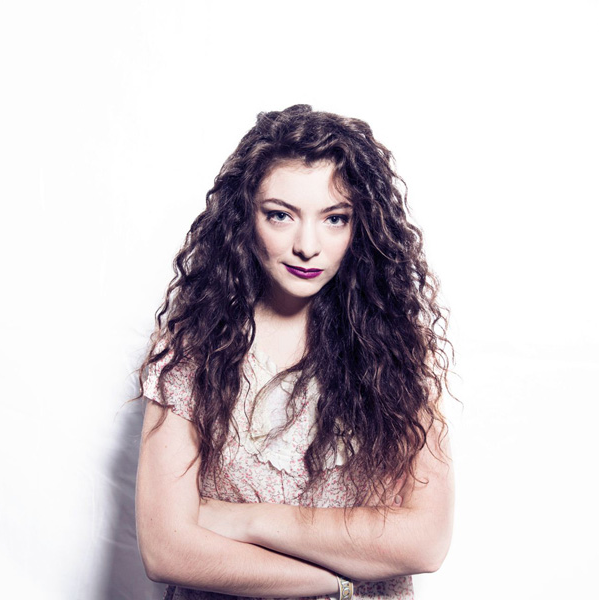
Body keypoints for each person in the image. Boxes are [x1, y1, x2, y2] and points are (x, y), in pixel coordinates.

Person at [135, 104, 454, 600]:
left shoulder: (401, 351)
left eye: (335, 218)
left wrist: (246, 521)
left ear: (361, 227)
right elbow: (167, 550)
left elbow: (425, 542)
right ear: (245, 218)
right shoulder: (192, 350)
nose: (308, 245)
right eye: (280, 215)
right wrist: (343, 583)